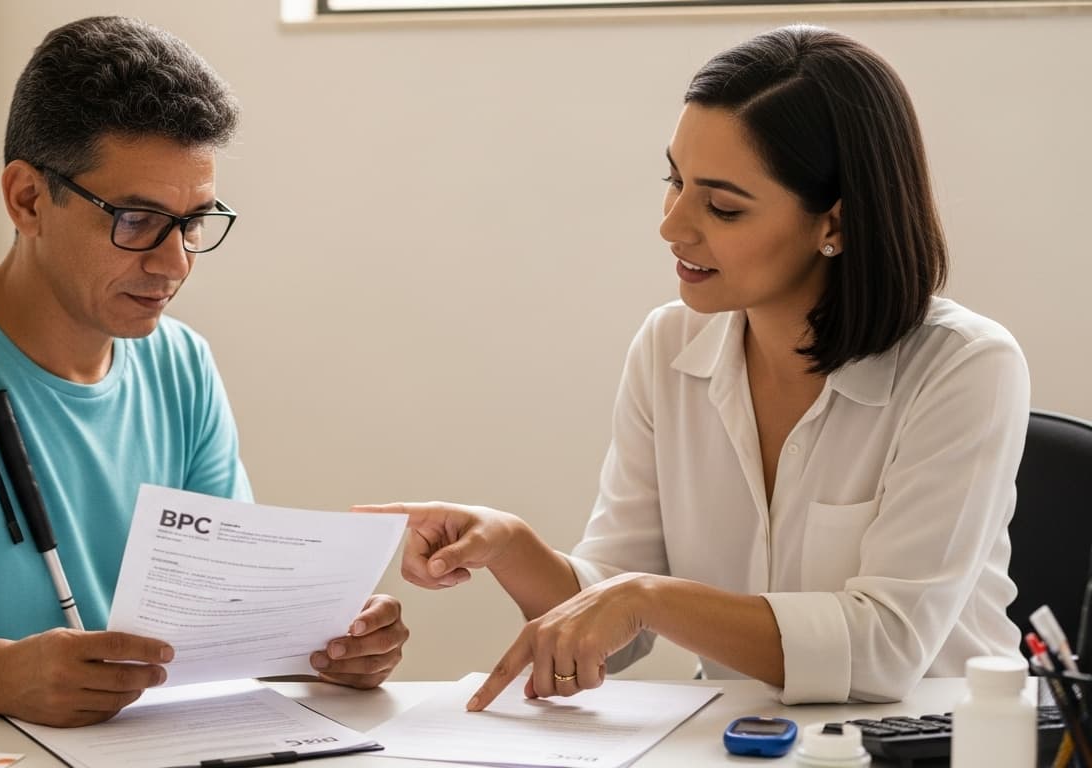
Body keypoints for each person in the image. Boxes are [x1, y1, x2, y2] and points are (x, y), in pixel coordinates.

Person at [0, 16, 407, 727]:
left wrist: (329, 646)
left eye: (194, 222)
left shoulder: (183, 365)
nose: (174, 262)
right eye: (136, 219)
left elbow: (222, 616)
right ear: (27, 199)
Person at [359, 25, 1027, 710]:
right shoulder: (669, 345)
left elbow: (885, 649)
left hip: (942, 737)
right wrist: (511, 547)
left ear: (834, 224)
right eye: (674, 180)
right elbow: (620, 622)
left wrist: (648, 598)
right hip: (743, 740)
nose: (673, 226)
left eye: (722, 206)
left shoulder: (965, 367)